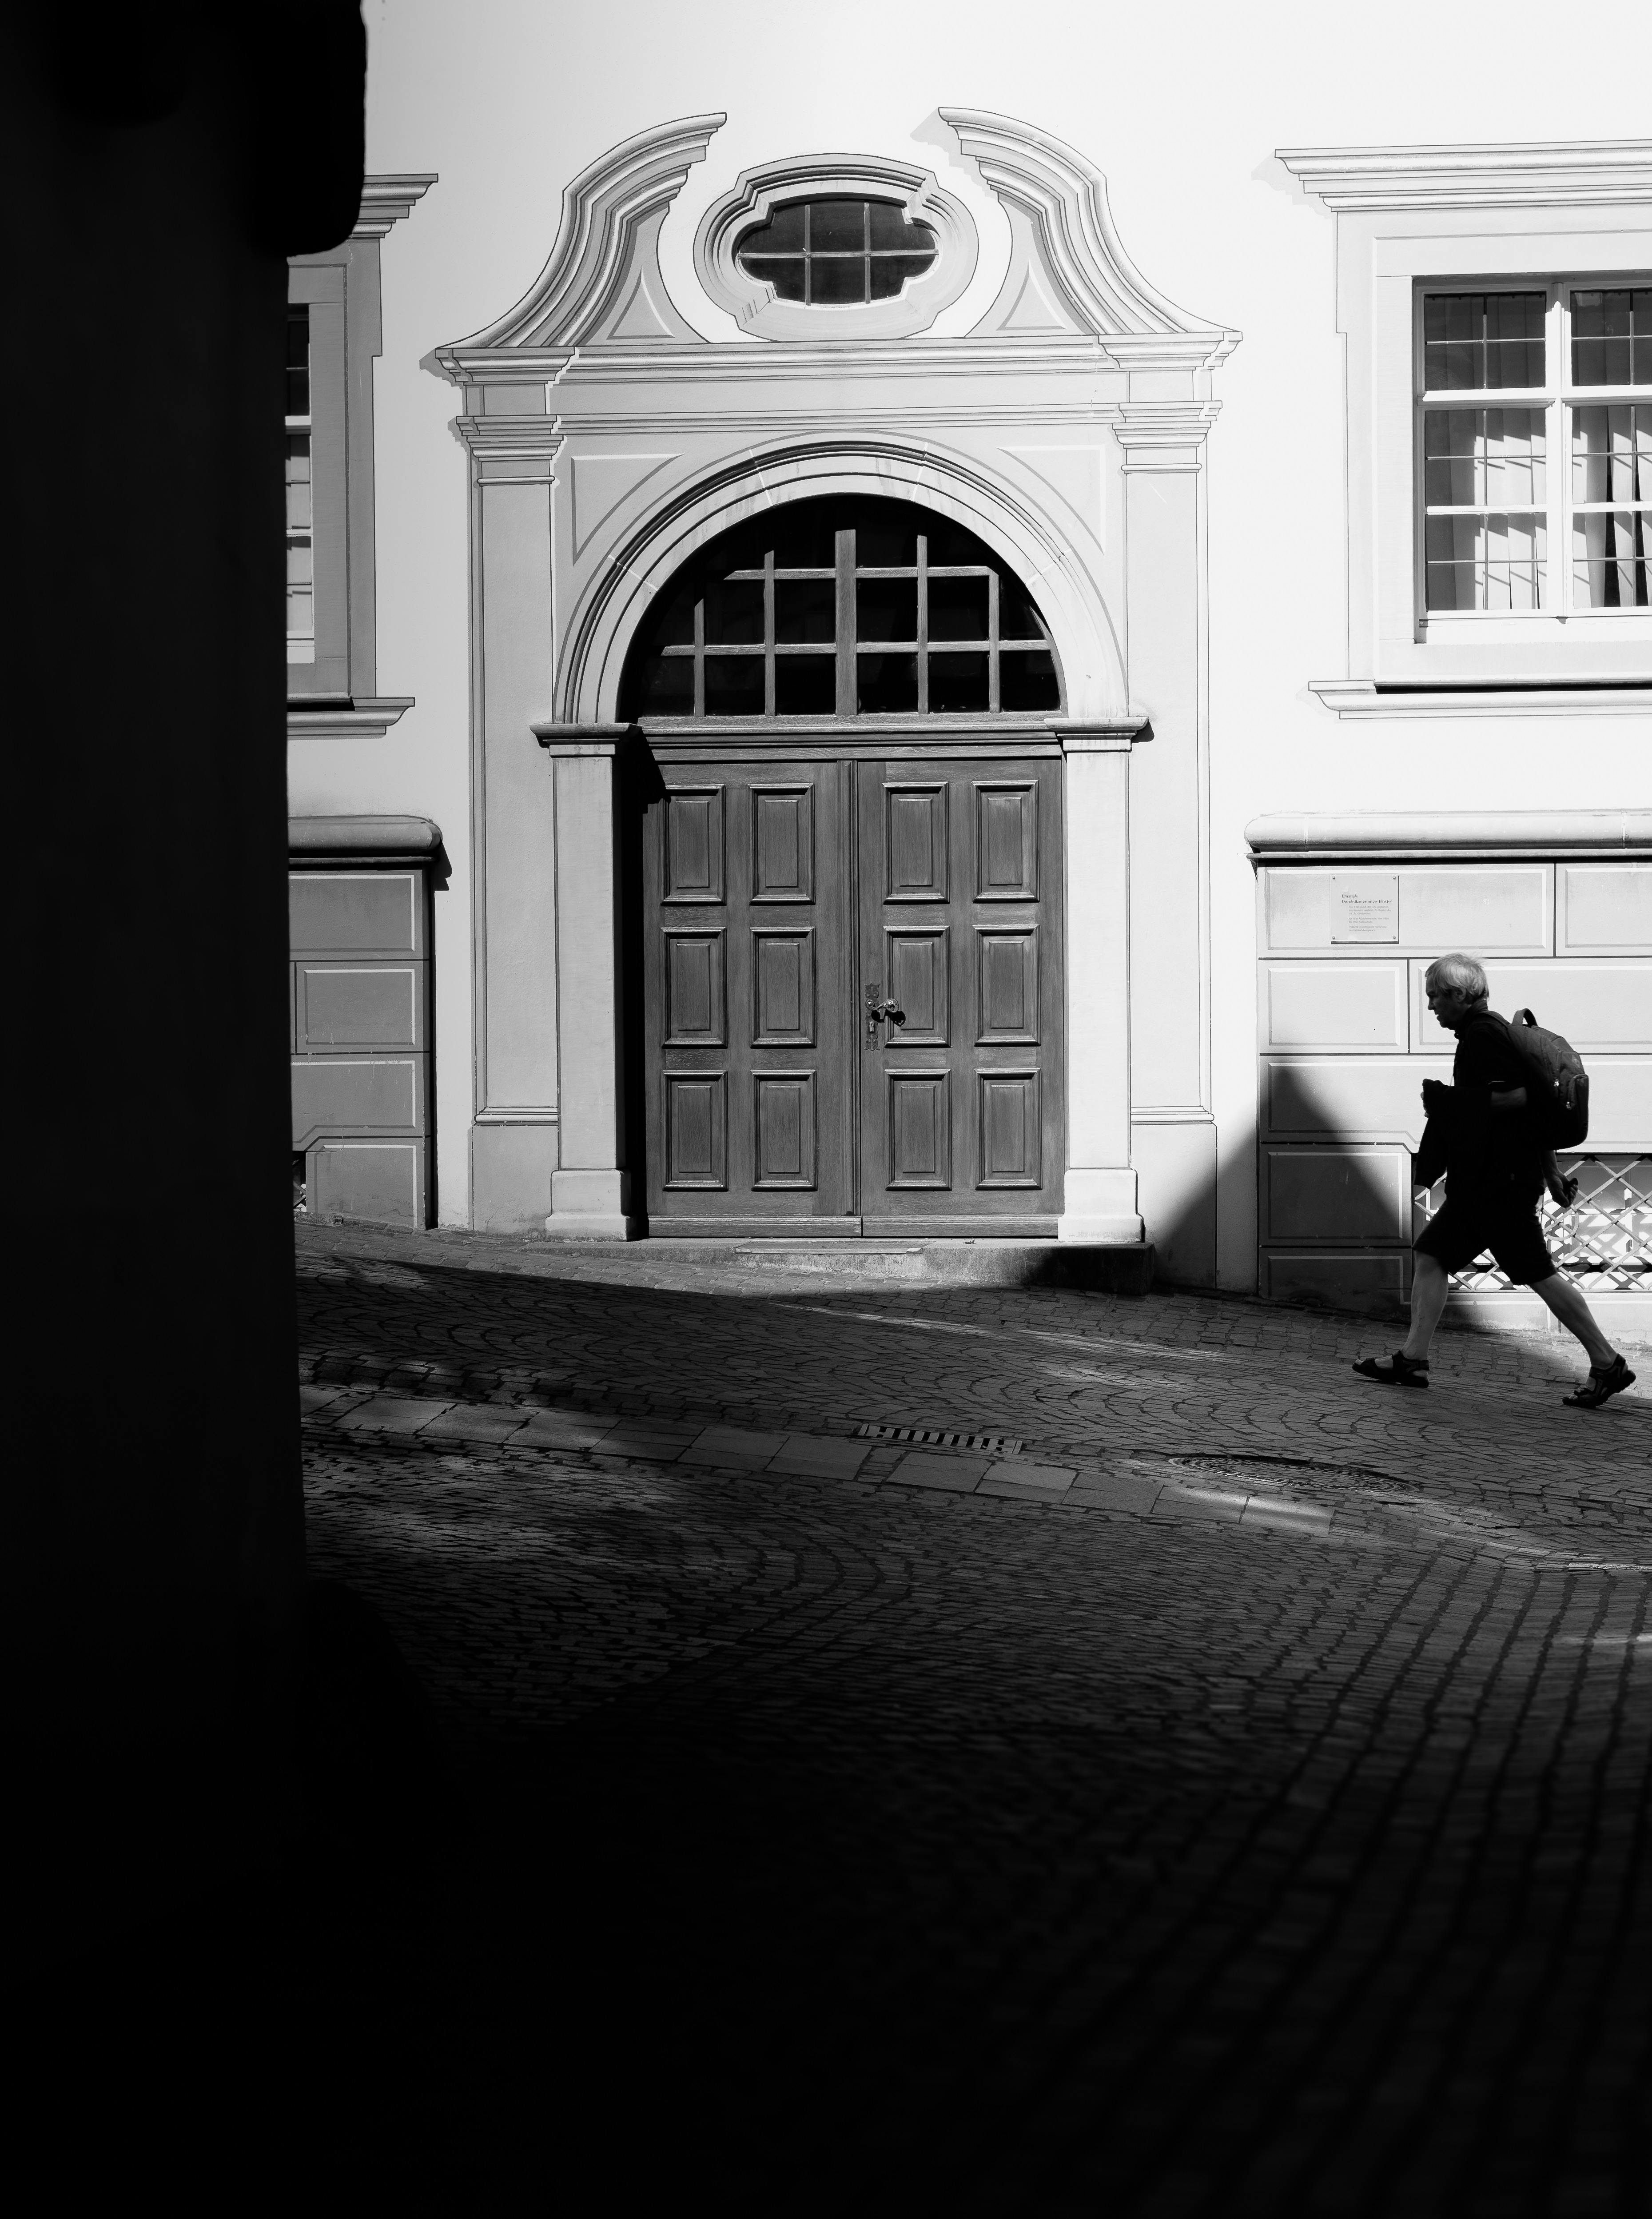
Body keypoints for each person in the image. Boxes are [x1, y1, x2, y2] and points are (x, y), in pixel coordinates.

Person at [1353, 952, 1636, 1409]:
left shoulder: (1483, 1036)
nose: (1430, 1007)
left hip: (1497, 1185)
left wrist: (1449, 1106)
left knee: (1536, 1273)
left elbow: (1519, 1098)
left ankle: (1606, 1362)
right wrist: (1548, 1173)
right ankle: (1412, 1359)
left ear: (1459, 996)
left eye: (1434, 997)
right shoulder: (1483, 1033)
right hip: (1487, 1182)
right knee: (1431, 1256)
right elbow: (1530, 1111)